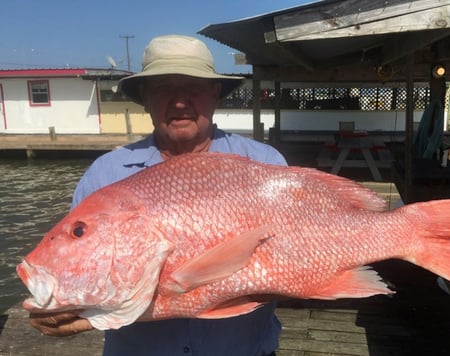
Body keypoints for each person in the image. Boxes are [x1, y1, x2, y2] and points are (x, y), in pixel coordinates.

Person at [29, 34, 286, 356]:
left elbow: (295, 258)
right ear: (145, 98)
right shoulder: (104, 174)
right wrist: (60, 309)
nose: (180, 101)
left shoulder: (266, 164)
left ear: (215, 93)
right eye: (164, 88)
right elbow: (86, 266)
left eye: (193, 87)